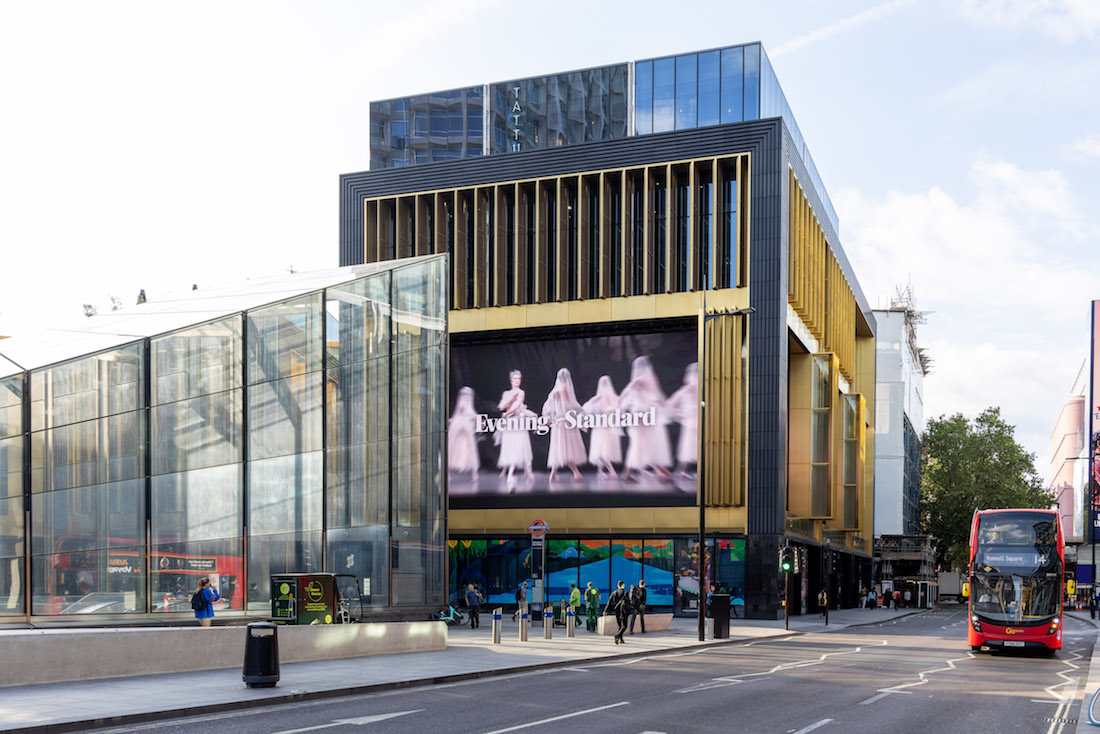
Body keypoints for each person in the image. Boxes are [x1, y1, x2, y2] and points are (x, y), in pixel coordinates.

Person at [618, 356, 673, 482]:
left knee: (641, 444)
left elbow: (625, 396)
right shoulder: (649, 380)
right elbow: (657, 397)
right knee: (645, 444)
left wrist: (622, 410)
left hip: (642, 415)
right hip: (645, 416)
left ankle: (630, 473)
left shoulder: (638, 381)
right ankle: (661, 471)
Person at [542, 367, 586, 482]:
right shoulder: (565, 389)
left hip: (558, 422)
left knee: (559, 448)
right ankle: (575, 473)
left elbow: (547, 405)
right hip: (566, 423)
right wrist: (580, 413)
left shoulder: (555, 390)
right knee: (567, 449)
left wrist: (549, 418)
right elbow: (570, 405)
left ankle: (554, 473)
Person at [497, 370, 535, 482]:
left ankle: (524, 471)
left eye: (519, 379)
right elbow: (501, 407)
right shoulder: (506, 393)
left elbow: (516, 406)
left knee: (520, 445)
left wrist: (506, 414)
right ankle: (512, 470)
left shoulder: (521, 392)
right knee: (510, 445)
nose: (517, 380)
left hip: (517, 421)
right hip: (509, 423)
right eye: (515, 378)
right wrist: (510, 400)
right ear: (511, 380)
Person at [582, 375, 623, 478]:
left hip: (604, 428)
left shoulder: (607, 398)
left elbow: (586, 409)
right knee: (602, 450)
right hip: (603, 427)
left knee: (601, 451)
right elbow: (586, 409)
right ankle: (600, 470)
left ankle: (612, 471)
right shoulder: (607, 398)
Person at [666, 362, 699, 477]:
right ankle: (681, 470)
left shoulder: (702, 388)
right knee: (689, 444)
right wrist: (679, 413)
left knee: (696, 444)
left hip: (699, 418)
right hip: (691, 419)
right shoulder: (687, 388)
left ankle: (683, 470)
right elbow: (672, 402)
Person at [448, 387, 480, 481]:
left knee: (468, 449)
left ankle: (475, 473)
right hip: (459, 428)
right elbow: (460, 414)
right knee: (454, 449)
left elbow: (471, 416)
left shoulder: (468, 407)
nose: (467, 397)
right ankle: (474, 474)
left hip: (465, 429)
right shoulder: (462, 404)